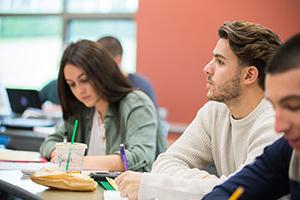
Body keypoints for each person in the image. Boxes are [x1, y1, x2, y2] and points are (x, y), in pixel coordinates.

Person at [115, 21, 282, 200]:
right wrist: (217, 183)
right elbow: (164, 164)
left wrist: (155, 186)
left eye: (220, 62)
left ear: (249, 75)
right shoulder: (214, 111)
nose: (207, 69)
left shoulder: (276, 124)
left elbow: (244, 193)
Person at [39, 40, 166, 172]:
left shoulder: (136, 103)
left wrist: (78, 162)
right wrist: (58, 154)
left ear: (102, 72)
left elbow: (141, 157)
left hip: (123, 191)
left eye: (84, 80)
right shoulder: (82, 109)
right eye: (72, 84)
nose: (79, 90)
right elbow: (49, 142)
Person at [203, 33, 300, 200]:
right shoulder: (288, 150)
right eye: (274, 107)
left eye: (293, 106)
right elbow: (232, 191)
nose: (279, 127)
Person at [97, 36, 157, 106]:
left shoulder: (140, 85)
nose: (98, 68)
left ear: (117, 60)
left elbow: (152, 114)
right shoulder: (97, 85)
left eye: (103, 63)